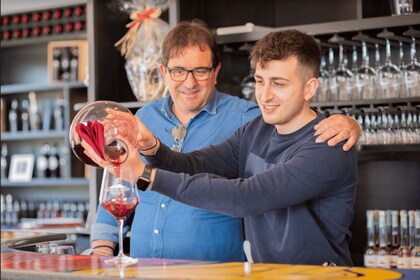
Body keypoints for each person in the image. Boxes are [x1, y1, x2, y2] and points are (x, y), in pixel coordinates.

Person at [89, 21, 360, 262]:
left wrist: (145, 174)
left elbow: (247, 197)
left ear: (309, 88)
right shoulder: (256, 130)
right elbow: (195, 164)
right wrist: (150, 146)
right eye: (259, 81)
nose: (264, 95)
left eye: (278, 83)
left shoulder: (329, 145)